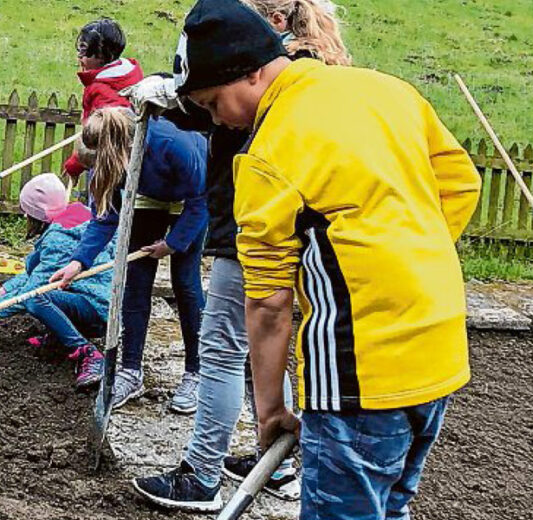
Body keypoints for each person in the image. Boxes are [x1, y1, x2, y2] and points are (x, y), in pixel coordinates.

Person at [132, 0, 480, 516]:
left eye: (212, 102)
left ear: (250, 72)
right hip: (440, 353)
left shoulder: (268, 153)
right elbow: (459, 181)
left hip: (357, 374)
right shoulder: (386, 90)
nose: (217, 119)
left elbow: (269, 302)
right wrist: (405, 255)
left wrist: (270, 411)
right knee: (390, 507)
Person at [128, 0, 355, 504]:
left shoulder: (283, 81)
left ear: (272, 23)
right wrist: (180, 96)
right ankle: (275, 461)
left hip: (255, 228)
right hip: (267, 226)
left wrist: (176, 96)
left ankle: (203, 473)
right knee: (256, 349)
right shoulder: (311, 74)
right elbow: (220, 110)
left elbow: (229, 118)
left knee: (223, 347)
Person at [51, 107, 209, 415]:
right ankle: (131, 371)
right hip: (147, 192)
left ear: (114, 150)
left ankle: (196, 372)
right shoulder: (108, 157)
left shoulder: (174, 144)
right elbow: (104, 216)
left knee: (185, 283)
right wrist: (78, 262)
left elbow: (201, 199)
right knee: (135, 281)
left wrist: (173, 243)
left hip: (190, 195)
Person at [0, 174, 112, 389]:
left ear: (37, 215)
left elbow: (34, 289)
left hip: (97, 308)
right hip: (94, 299)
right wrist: (5, 289)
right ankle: (57, 339)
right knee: (45, 295)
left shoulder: (60, 239)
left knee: (37, 300)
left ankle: (89, 354)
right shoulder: (80, 216)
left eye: (26, 212)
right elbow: (41, 272)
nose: (24, 218)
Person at [61, 18, 144, 179]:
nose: (79, 57)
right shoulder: (125, 75)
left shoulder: (104, 93)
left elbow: (103, 139)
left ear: (100, 55)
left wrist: (76, 163)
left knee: (102, 203)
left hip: (108, 165)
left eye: (84, 51)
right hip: (120, 160)